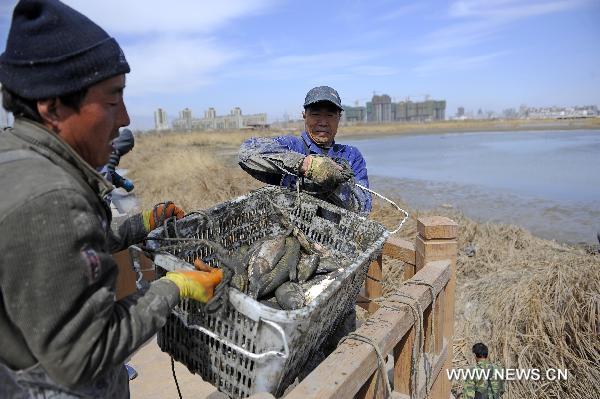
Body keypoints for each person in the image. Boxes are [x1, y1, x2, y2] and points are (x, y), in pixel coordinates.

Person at [0, 1, 222, 397]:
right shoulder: (51, 198)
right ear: (52, 106)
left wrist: (143, 223)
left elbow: (66, 253)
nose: (125, 118)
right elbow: (85, 354)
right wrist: (175, 287)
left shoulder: (16, 158)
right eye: (111, 99)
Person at [238, 85, 372, 214]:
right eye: (315, 114)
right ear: (304, 116)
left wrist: (335, 182)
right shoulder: (291, 146)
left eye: (330, 115)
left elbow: (364, 207)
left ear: (339, 118)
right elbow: (247, 152)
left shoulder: (351, 155)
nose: (323, 122)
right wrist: (305, 164)